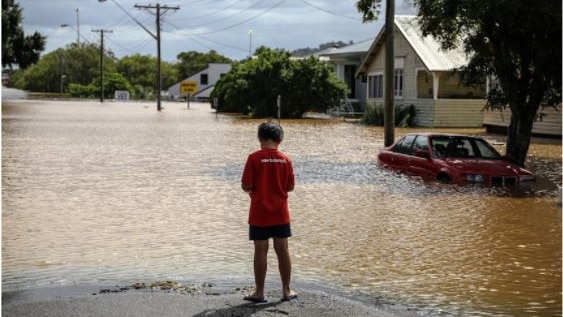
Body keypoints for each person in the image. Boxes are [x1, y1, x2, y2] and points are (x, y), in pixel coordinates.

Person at [241, 122, 297, 303]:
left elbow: (246, 185)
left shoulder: (254, 158)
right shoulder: (286, 159)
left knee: (260, 250)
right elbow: (290, 186)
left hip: (259, 212)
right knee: (283, 250)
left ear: (260, 138)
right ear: (280, 139)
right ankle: (287, 290)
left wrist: (253, 191)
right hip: (280, 212)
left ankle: (259, 292)